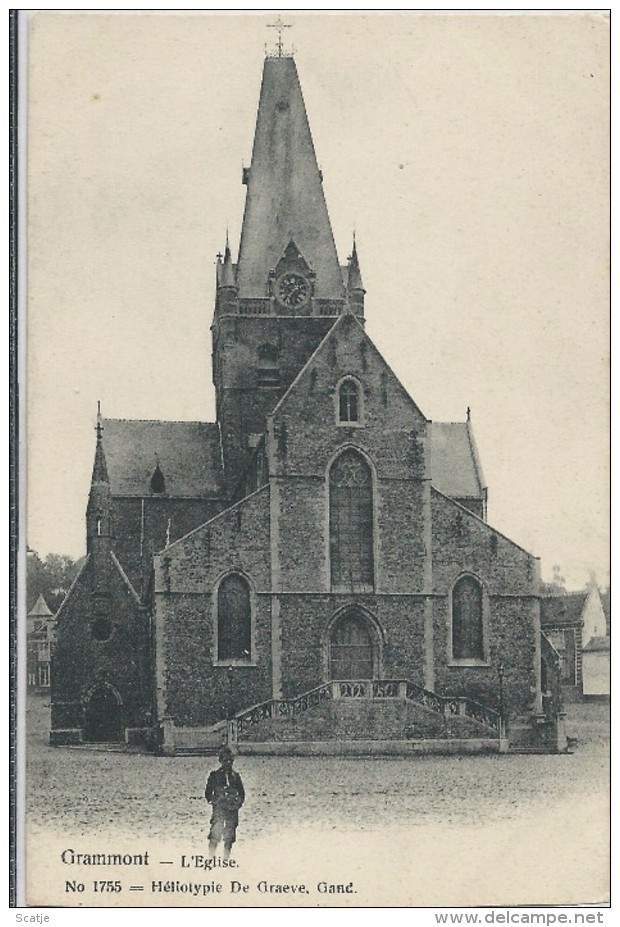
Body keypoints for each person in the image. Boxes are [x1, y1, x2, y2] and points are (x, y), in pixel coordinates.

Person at [205, 746, 245, 859]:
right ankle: (211, 857)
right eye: (225, 760)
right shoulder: (214, 776)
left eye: (230, 761)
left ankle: (226, 858)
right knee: (215, 833)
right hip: (219, 809)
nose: (228, 763)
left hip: (232, 809)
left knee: (230, 834)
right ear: (221, 761)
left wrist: (238, 803)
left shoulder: (236, 777)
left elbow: (242, 793)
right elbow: (208, 793)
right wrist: (214, 801)